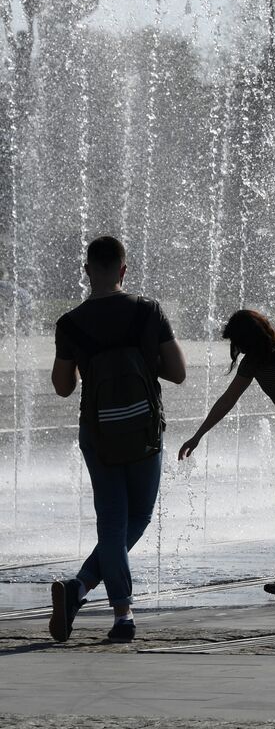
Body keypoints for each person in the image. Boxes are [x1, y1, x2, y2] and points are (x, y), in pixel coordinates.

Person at [49, 236, 187, 643]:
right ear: (124, 270)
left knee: (111, 519)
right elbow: (178, 372)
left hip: (98, 432)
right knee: (137, 517)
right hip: (144, 430)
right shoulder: (148, 311)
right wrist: (140, 360)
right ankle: (85, 591)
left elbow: (62, 387)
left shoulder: (70, 323)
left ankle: (114, 609)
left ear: (87, 270)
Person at [179, 310, 275, 599]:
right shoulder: (254, 360)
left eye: (241, 342)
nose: (239, 349)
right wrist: (198, 435)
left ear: (255, 336)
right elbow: (228, 399)